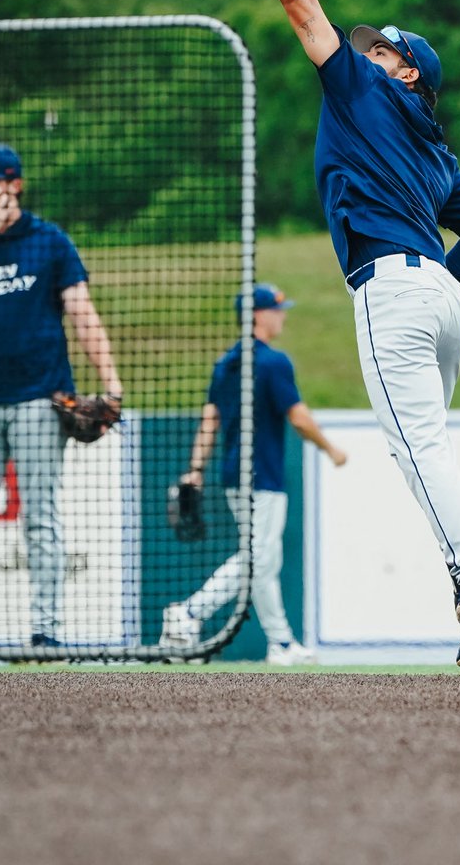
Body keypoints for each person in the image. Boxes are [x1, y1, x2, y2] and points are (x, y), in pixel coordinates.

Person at [228, 0, 460, 667]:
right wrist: (439, 280)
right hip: (442, 297)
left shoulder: (364, 92)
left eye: (383, 50)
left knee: (420, 449)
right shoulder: (440, 153)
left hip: (392, 288)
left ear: (406, 76)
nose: (365, 52)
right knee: (425, 449)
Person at [0, 143, 123, 649]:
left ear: (14, 183)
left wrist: (111, 381)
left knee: (41, 516)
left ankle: (46, 632)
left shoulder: (49, 241)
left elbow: (82, 311)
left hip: (40, 396)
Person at [160, 282, 347, 664]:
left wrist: (196, 468)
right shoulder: (273, 362)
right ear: (258, 315)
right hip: (262, 475)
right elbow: (298, 416)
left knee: (266, 560)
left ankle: (280, 643)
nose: (283, 316)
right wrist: (331, 449)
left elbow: (210, 419)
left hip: (234, 474)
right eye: (277, 310)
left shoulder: (225, 363)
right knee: (258, 557)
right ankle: (189, 612)